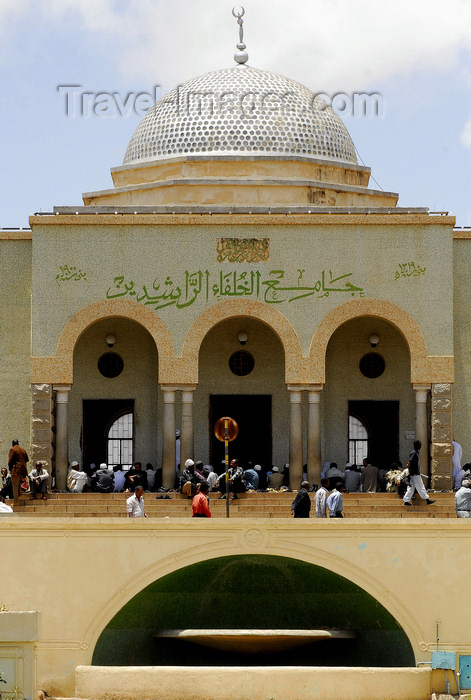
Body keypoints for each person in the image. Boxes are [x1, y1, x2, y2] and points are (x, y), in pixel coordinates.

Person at [403, 440, 435, 506]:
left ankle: (406, 501)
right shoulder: (414, 453)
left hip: (414, 473)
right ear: (417, 445)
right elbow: (409, 463)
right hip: (414, 474)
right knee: (421, 486)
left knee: (411, 487)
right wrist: (409, 471)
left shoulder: (416, 452)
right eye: (419, 445)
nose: (420, 446)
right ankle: (427, 500)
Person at [8, 439, 29, 505]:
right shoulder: (23, 450)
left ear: (12, 443)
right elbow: (27, 460)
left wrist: (11, 470)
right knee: (19, 484)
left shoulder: (12, 449)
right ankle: (19, 496)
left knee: (15, 485)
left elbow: (10, 461)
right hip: (23, 470)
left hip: (16, 470)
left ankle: (16, 501)